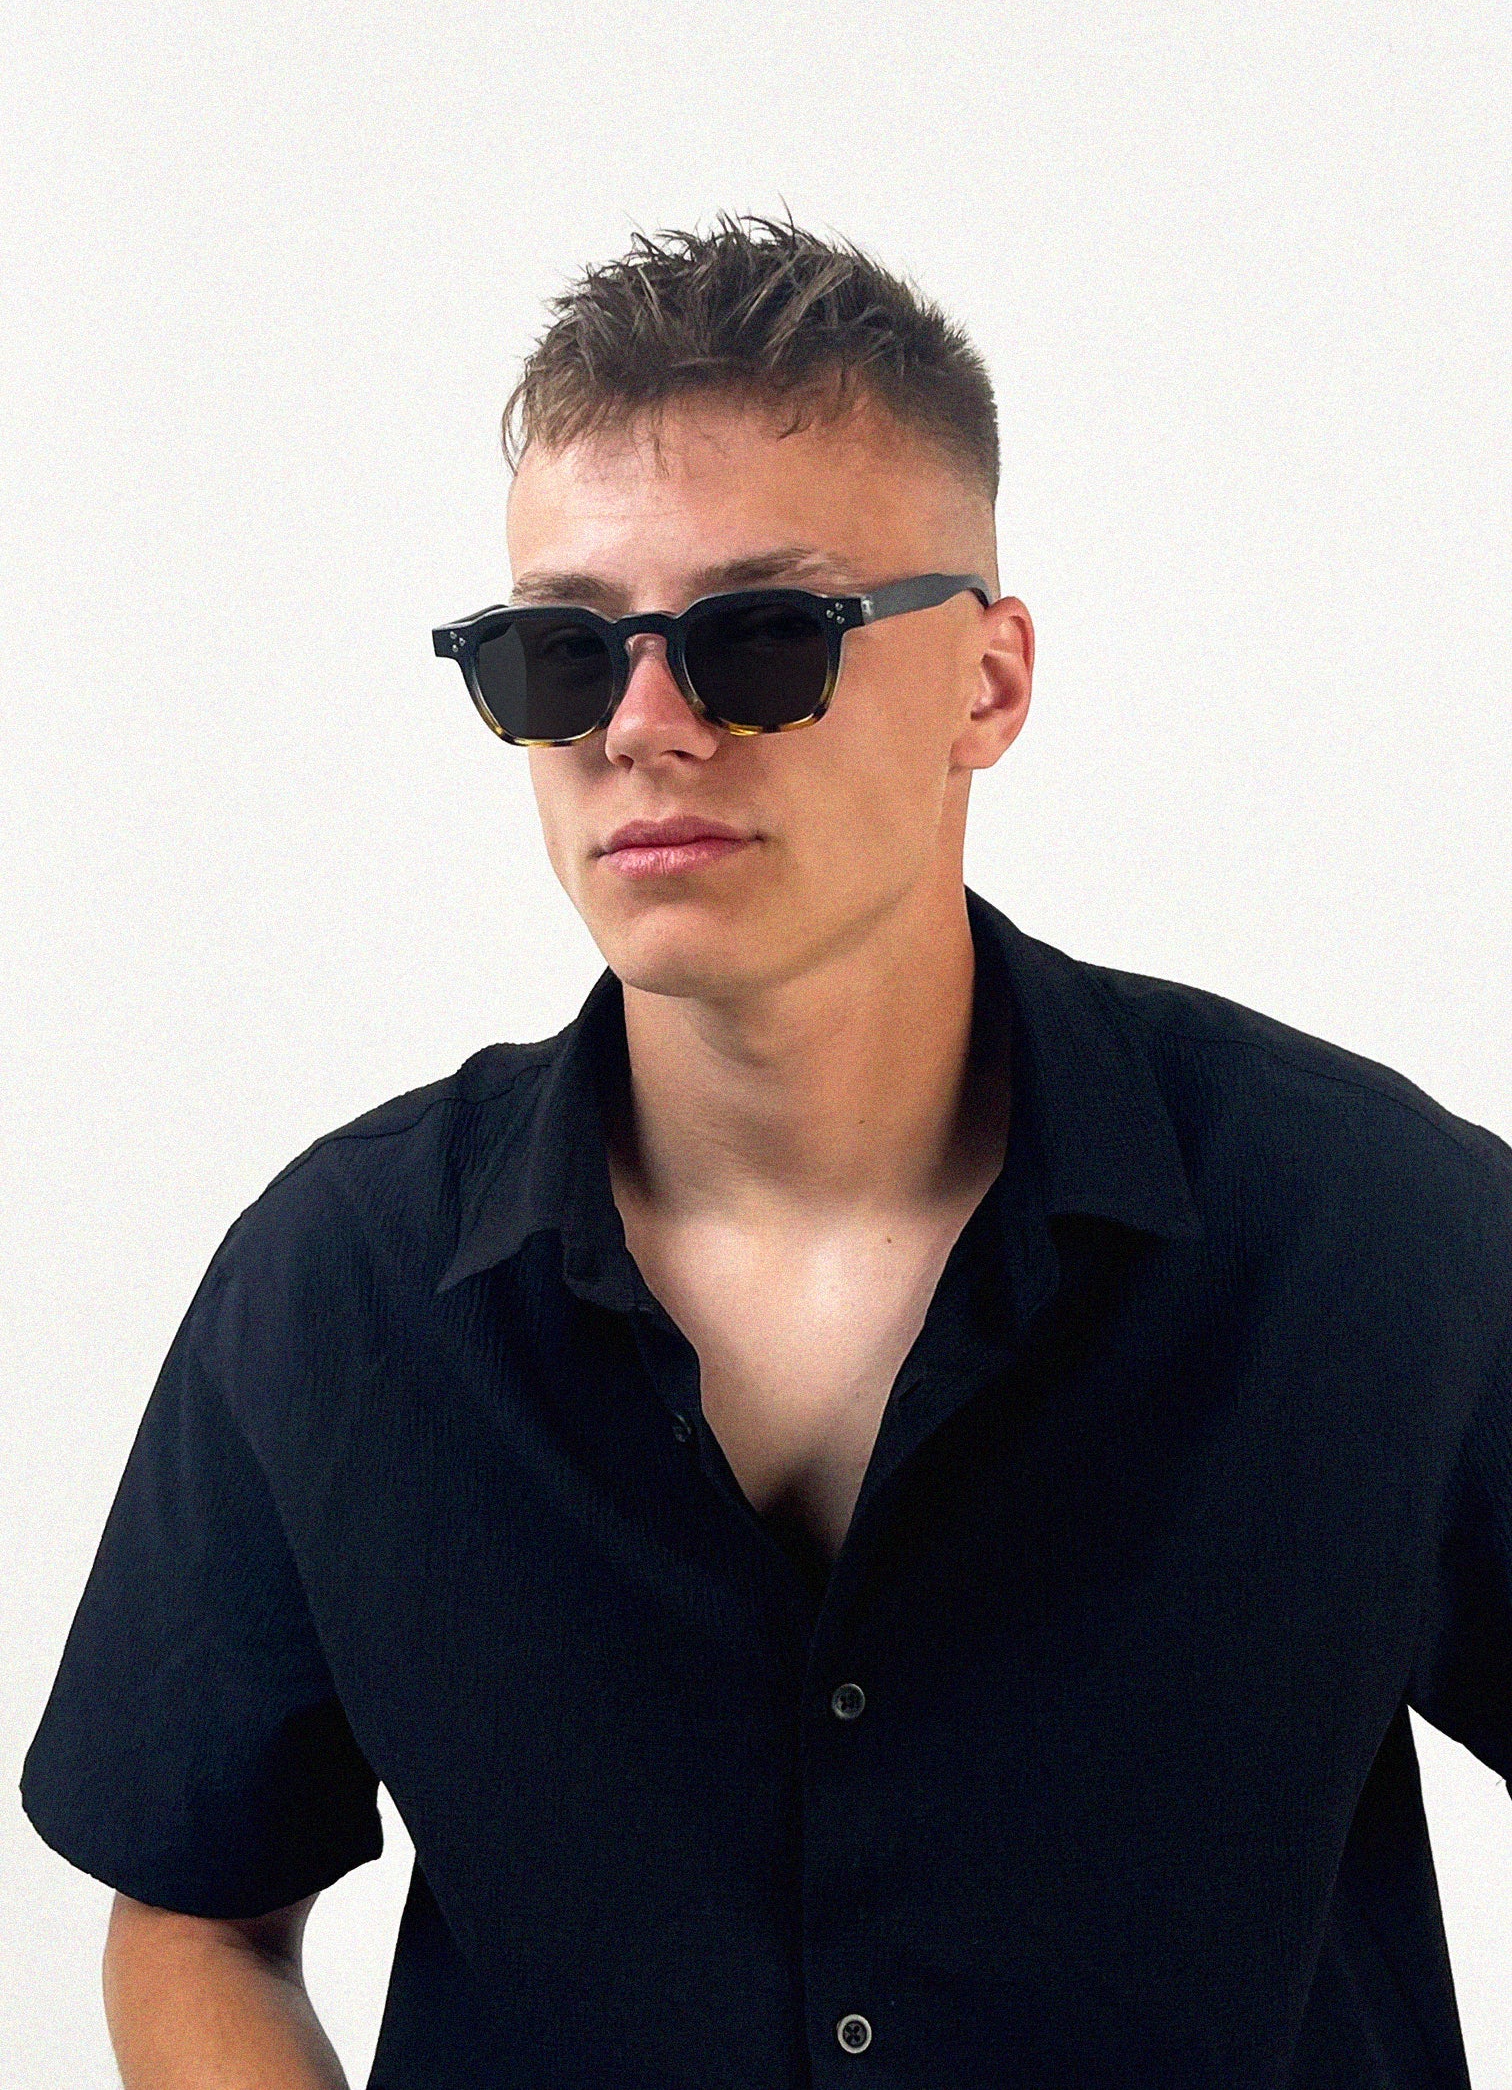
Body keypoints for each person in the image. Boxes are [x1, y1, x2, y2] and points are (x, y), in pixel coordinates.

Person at [21, 214, 1511, 2090]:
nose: (643, 728)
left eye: (762, 638)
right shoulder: (338, 1288)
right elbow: (193, 1916)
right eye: (560, 653)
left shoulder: (1376, 1241)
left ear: (988, 683)